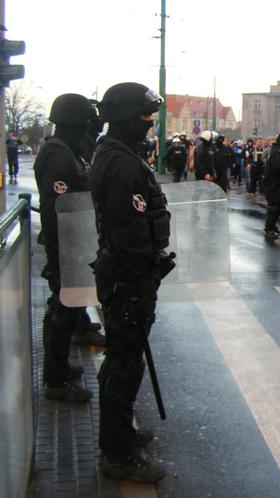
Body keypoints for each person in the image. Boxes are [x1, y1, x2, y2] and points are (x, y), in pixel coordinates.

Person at [92, 82, 171, 482]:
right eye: (144, 117)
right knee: (124, 365)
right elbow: (129, 232)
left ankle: (121, 434)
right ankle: (117, 454)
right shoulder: (121, 164)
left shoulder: (119, 154)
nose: (149, 124)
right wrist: (143, 281)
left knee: (123, 360)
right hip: (128, 280)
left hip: (127, 276)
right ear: (124, 119)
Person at [34, 93, 98, 403]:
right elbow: (57, 207)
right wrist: (64, 253)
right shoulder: (58, 156)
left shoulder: (66, 151)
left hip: (72, 242)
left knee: (68, 308)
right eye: (86, 121)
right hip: (65, 244)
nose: (89, 127)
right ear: (74, 122)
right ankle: (55, 380)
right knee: (62, 310)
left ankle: (59, 367)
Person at [263, 133, 280, 238]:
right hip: (273, 183)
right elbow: (277, 168)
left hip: (276, 183)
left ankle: (272, 224)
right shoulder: (277, 152)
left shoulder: (277, 150)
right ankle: (269, 227)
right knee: (274, 205)